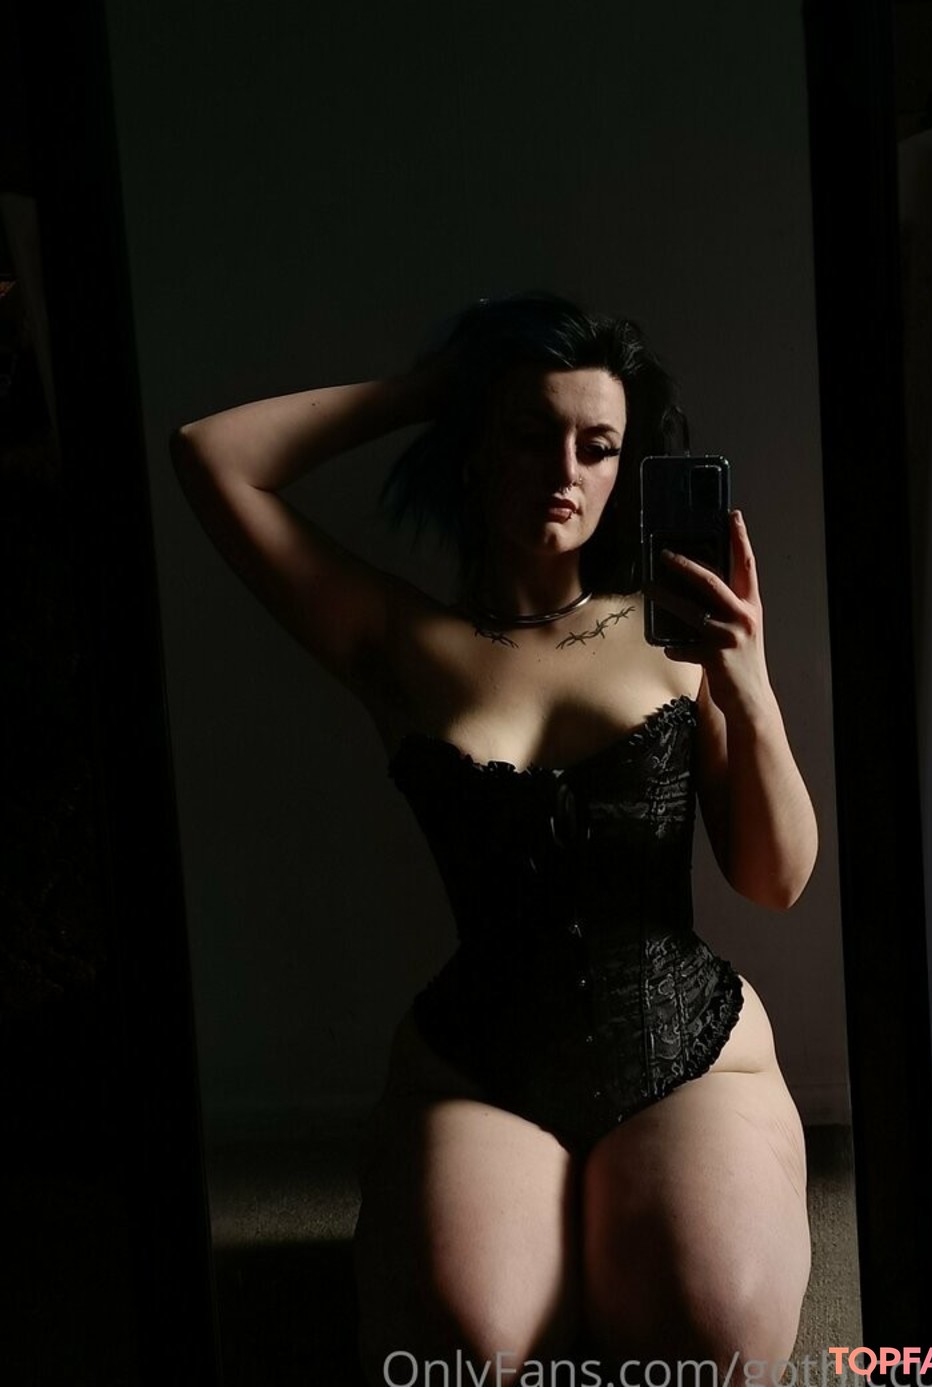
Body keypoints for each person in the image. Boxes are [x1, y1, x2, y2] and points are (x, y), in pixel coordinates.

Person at [170, 292, 818, 1380]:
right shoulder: (398, 638)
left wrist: (746, 684)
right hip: (482, 1067)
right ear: (477, 445)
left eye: (597, 445)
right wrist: (438, 387)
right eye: (530, 433)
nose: (566, 469)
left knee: (713, 1334)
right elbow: (210, 457)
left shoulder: (675, 633)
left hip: (689, 1052)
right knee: (464, 1349)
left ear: (623, 468)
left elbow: (776, 878)